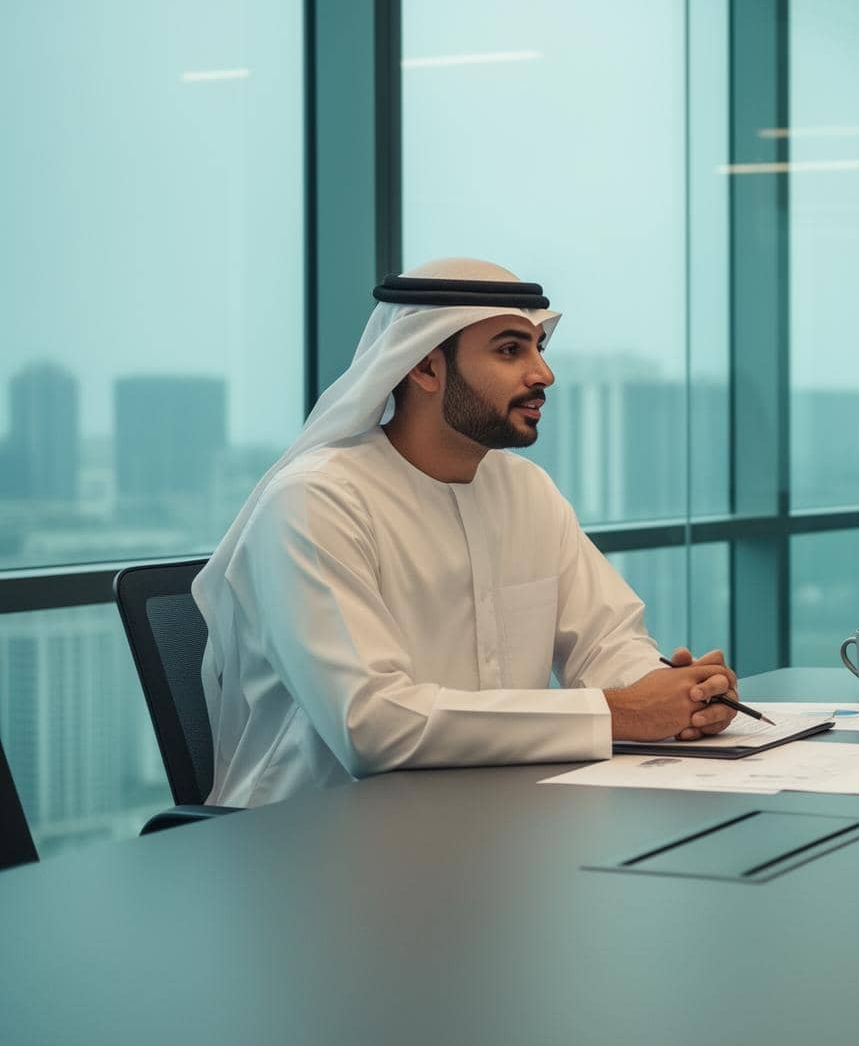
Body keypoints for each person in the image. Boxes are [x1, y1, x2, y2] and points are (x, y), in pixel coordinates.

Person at [194, 258, 742, 808]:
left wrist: (677, 694)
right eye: (510, 351)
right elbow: (372, 725)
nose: (543, 375)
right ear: (426, 368)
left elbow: (606, 640)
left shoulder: (527, 490)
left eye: (538, 350)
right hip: (307, 845)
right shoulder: (315, 502)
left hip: (491, 821)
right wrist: (623, 712)